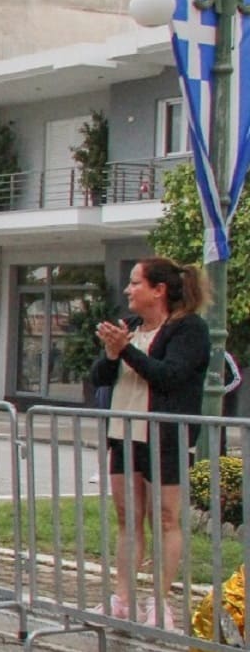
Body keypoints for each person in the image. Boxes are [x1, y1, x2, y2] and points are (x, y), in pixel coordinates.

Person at [91, 257, 213, 628]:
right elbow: (100, 376)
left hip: (165, 436)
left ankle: (159, 602)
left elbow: (170, 376)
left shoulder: (188, 329)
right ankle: (122, 599)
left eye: (135, 283)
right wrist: (113, 353)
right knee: (129, 518)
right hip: (125, 434)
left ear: (158, 290)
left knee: (164, 518)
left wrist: (126, 350)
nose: (128, 290)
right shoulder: (128, 327)